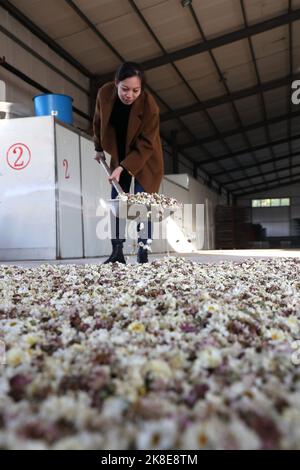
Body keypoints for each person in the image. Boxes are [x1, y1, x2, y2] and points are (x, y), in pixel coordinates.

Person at [93, 62, 164, 264]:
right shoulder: (104, 94)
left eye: (135, 90)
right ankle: (117, 251)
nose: (129, 95)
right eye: (125, 89)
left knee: (143, 204)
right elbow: (98, 121)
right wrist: (98, 148)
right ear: (116, 83)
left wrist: (124, 167)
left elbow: (147, 143)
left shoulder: (150, 106)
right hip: (120, 153)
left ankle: (143, 251)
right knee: (118, 202)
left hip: (146, 157)